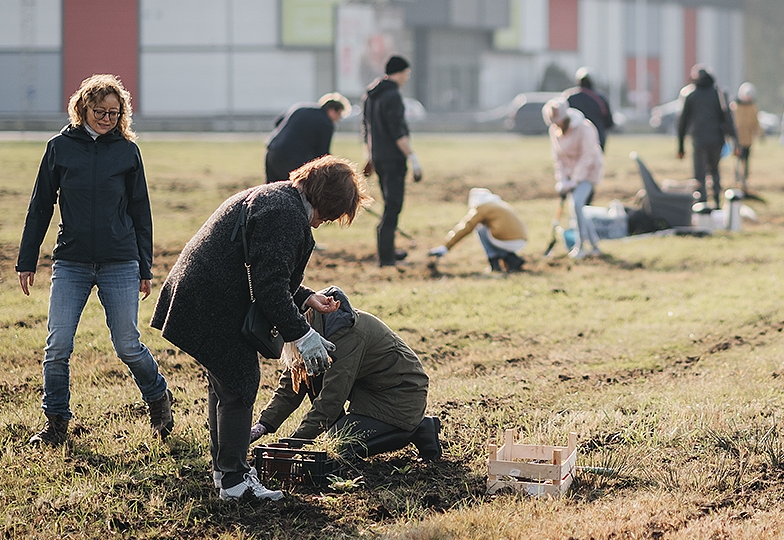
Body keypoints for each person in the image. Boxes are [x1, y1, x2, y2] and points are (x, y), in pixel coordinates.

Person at [152, 156, 368, 502]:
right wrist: (304, 335)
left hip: (203, 296)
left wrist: (306, 297)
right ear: (325, 199)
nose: (323, 222)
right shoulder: (285, 213)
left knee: (227, 384)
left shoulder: (279, 198)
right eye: (329, 214)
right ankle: (236, 483)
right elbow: (268, 288)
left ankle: (226, 474)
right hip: (210, 302)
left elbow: (264, 272)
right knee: (239, 384)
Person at [17, 74, 173, 447]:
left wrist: (145, 267)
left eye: (114, 113)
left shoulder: (128, 152)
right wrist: (27, 260)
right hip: (71, 261)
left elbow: (141, 211)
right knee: (57, 345)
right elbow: (40, 207)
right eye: (99, 111)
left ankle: (158, 398)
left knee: (127, 344)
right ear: (82, 108)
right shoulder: (59, 147)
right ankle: (55, 423)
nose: (106, 118)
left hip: (120, 260)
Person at [251, 286, 440, 461]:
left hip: (399, 399)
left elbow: (332, 397)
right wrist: (262, 425)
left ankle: (417, 428)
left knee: (335, 447)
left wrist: (296, 442)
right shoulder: (311, 327)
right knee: (312, 377)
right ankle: (391, 425)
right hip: (370, 393)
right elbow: (293, 385)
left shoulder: (344, 333)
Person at [363, 55, 423, 266]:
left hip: (378, 157)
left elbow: (367, 130)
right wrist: (412, 157)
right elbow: (397, 131)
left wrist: (369, 157)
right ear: (400, 72)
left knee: (389, 203)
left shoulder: (371, 95)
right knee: (394, 205)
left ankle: (387, 250)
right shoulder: (393, 96)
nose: (407, 77)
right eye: (406, 73)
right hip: (394, 159)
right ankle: (387, 258)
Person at [543, 98, 606, 259]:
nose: (557, 125)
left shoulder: (584, 128)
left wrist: (576, 180)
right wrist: (562, 180)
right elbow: (559, 159)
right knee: (578, 209)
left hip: (589, 171)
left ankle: (580, 246)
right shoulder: (554, 132)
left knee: (577, 204)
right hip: (570, 176)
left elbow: (589, 156)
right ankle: (595, 245)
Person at [428, 187, 529, 273]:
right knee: (488, 228)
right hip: (521, 239)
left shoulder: (482, 208)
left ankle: (494, 263)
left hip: (505, 240)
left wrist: (446, 246)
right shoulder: (499, 204)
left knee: (480, 229)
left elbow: (467, 226)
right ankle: (511, 259)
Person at [676, 65, 735, 204]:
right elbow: (727, 118)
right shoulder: (718, 93)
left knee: (699, 174)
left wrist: (680, 146)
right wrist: (734, 139)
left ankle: (701, 204)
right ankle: (716, 201)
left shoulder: (690, 94)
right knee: (715, 171)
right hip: (717, 139)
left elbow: (682, 121)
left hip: (698, 140)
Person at [264, 93, 351, 183]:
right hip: (292, 158)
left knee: (270, 190)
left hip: (272, 150)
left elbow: (278, 122)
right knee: (294, 190)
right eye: (339, 115)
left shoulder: (300, 108)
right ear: (332, 111)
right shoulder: (326, 123)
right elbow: (322, 154)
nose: (338, 119)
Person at [564, 67, 615, 152]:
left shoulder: (569, 97)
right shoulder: (600, 98)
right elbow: (609, 122)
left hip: (574, 141)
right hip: (596, 139)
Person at [730, 82, 763, 191]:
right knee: (738, 159)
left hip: (748, 139)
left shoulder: (752, 107)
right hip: (737, 139)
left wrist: (760, 133)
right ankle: (737, 179)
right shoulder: (735, 106)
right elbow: (731, 122)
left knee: (746, 160)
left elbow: (755, 122)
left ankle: (745, 179)